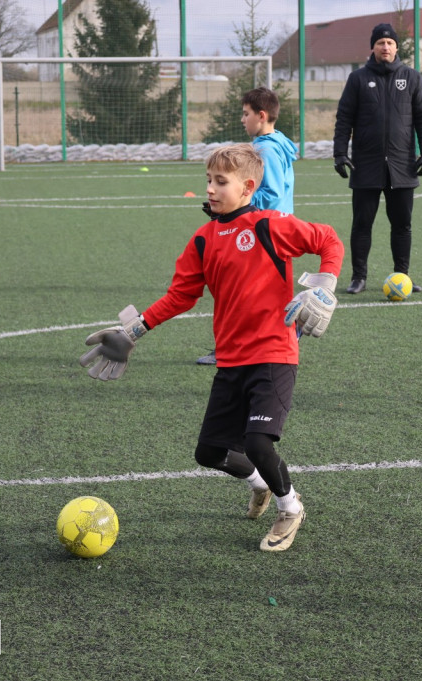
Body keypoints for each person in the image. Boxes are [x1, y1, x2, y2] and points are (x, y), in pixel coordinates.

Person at [80, 143, 343, 552]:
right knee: (209, 453)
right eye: (208, 180)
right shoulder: (203, 240)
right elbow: (180, 296)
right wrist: (134, 331)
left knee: (257, 442)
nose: (211, 189)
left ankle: (290, 508)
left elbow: (327, 239)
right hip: (231, 361)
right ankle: (259, 483)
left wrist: (325, 286)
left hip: (274, 354)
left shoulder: (270, 225)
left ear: (248, 187)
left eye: (221, 181)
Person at [196, 87, 299, 366]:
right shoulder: (277, 142)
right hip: (269, 227)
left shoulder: (265, 148)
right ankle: (283, 332)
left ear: (262, 115)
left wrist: (235, 204)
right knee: (260, 292)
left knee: (238, 291)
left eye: (246, 114)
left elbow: (273, 193)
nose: (242, 120)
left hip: (263, 231)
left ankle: (232, 349)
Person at [333, 22, 422, 295]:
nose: (385, 47)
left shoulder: (411, 77)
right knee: (362, 224)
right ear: (373, 47)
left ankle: (402, 277)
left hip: (403, 165)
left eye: (390, 43)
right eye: (380, 43)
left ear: (396, 47)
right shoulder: (357, 78)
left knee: (402, 225)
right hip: (365, 164)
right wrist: (340, 152)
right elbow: (344, 117)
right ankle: (359, 278)